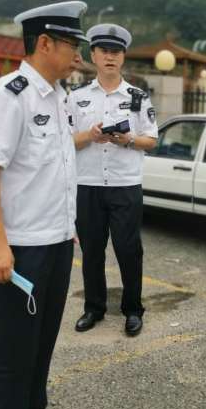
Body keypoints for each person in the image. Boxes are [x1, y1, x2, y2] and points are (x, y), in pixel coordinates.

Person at [0, 0, 87, 409]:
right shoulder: (8, 97)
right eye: (72, 45)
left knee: (40, 340)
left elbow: (54, 167)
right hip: (19, 248)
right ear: (45, 43)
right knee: (12, 347)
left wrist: (69, 226)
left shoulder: (58, 96)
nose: (78, 55)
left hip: (56, 241)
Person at [69, 23, 158, 336]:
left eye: (116, 51)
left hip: (125, 186)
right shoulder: (76, 97)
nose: (110, 56)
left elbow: (151, 140)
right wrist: (90, 135)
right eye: (104, 50)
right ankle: (93, 308)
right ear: (93, 54)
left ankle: (133, 310)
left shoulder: (138, 97)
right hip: (89, 185)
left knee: (129, 250)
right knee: (92, 251)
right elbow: (65, 142)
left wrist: (128, 140)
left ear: (123, 57)